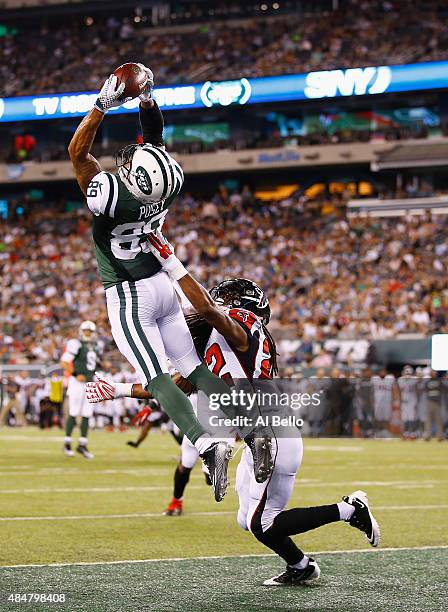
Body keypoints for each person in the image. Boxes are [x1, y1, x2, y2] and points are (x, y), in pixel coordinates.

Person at [87, 233, 381, 585]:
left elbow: (210, 310)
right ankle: (301, 567)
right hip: (258, 433)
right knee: (248, 519)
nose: (214, 302)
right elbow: (177, 386)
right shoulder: (217, 343)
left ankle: (349, 510)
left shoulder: (243, 326)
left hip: (273, 432)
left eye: (225, 299)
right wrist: (118, 390)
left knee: (263, 523)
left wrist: (171, 263)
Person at [67, 68, 268, 500]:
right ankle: (253, 430)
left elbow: (78, 154)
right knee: (193, 369)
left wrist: (102, 103)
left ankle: (206, 443)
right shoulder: (169, 183)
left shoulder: (109, 194)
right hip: (163, 285)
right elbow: (153, 140)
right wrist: (146, 99)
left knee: (158, 378)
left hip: (128, 293)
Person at [61, 321, 100, 458]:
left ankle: (82, 444)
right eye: (86, 331)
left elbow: (93, 364)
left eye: (90, 331)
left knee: (87, 413)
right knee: (74, 411)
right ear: (81, 331)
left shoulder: (95, 345)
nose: (88, 333)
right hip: (77, 382)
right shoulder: (75, 343)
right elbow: (64, 362)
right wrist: (76, 374)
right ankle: (67, 443)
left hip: (90, 382)